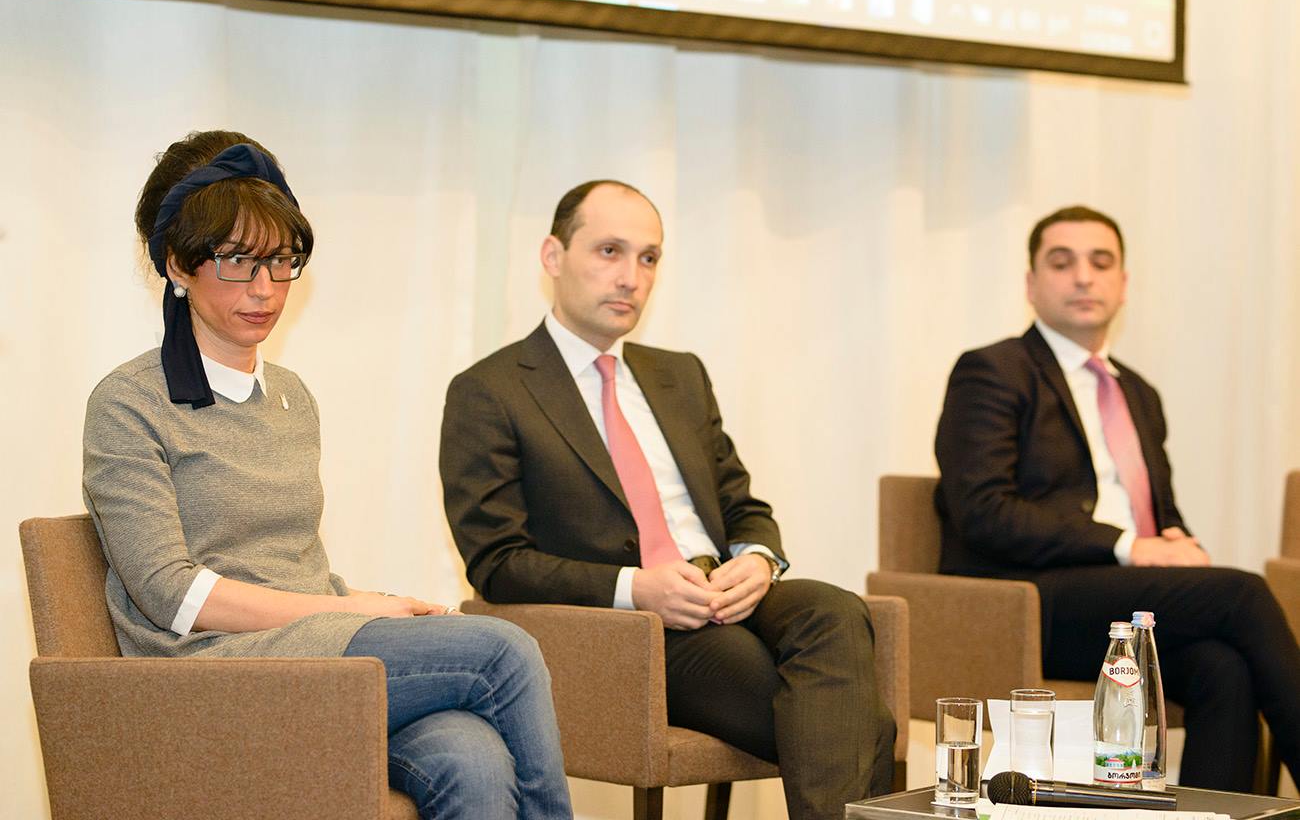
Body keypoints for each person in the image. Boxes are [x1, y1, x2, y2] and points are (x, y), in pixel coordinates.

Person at [82, 130, 573, 820]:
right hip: (204, 671)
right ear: (178, 265)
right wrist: (348, 613)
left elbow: (287, 562)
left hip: (309, 652)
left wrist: (362, 598)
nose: (264, 290)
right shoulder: (129, 402)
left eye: (281, 262)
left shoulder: (290, 396)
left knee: (472, 757)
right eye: (237, 261)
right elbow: (170, 594)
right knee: (502, 651)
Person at [439, 180, 896, 820]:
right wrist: (637, 588)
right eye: (609, 251)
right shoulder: (490, 390)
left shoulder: (679, 374)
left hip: (726, 590)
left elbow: (741, 504)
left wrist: (758, 559)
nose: (631, 277)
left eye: (649, 257)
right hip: (631, 629)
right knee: (863, 721)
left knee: (836, 609)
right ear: (553, 256)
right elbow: (496, 561)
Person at [934, 205, 1300, 791]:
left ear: (1123, 284)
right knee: (1243, 594)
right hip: (1031, 600)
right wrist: (1130, 546)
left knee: (1223, 667)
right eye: (1062, 263)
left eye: (1100, 263)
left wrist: (1177, 543)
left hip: (1126, 604)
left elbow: (1160, 515)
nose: (1084, 277)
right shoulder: (994, 371)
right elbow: (984, 513)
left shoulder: (1139, 393)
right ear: (1031, 284)